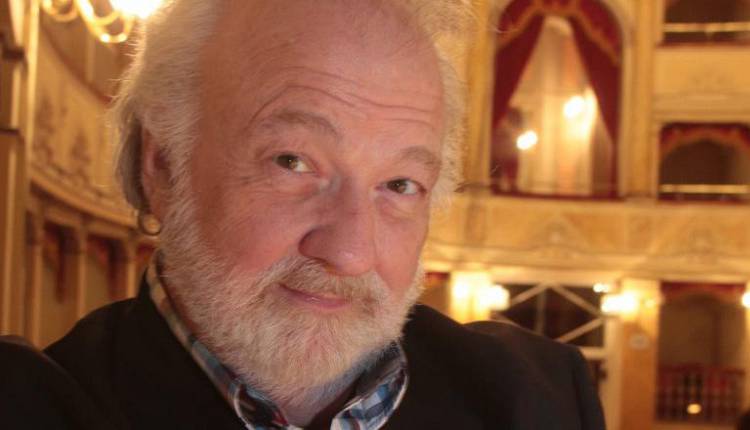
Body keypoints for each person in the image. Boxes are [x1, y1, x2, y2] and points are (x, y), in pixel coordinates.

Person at [0, 0, 606, 429]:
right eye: (292, 161)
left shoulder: (541, 400)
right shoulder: (30, 405)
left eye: (400, 184)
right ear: (162, 167)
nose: (350, 252)